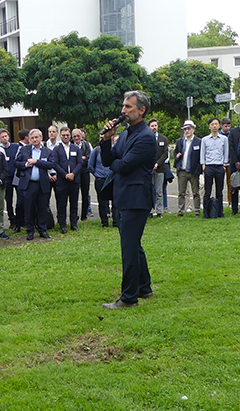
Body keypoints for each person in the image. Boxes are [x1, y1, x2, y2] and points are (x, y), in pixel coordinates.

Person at [99, 90, 156, 310]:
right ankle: (144, 287)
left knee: (129, 248)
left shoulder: (145, 137)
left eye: (128, 107)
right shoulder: (125, 134)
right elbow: (108, 161)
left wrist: (117, 161)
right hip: (123, 196)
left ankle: (128, 297)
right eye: (123, 106)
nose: (123, 111)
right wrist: (105, 139)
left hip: (136, 198)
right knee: (134, 245)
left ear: (141, 110)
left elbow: (122, 166)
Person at [15, 129, 55, 240]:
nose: (34, 139)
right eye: (32, 138)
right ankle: (30, 231)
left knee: (42, 208)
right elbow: (16, 163)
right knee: (29, 208)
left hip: (42, 183)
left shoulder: (47, 151)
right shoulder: (24, 150)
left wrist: (36, 162)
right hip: (29, 184)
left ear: (41, 138)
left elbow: (51, 164)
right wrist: (26, 164)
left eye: (36, 137)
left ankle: (42, 230)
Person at [53, 126, 82, 233]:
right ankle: (63, 225)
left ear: (70, 136)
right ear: (60, 136)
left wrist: (73, 174)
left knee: (74, 203)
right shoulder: (57, 149)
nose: (65, 137)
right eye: (63, 135)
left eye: (67, 135)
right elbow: (55, 164)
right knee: (62, 204)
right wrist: (65, 174)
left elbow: (80, 163)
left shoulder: (76, 148)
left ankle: (74, 224)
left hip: (74, 180)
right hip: (62, 180)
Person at [200, 118, 228, 214]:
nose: (214, 126)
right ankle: (206, 212)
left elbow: (226, 152)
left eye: (216, 124)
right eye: (212, 124)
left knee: (219, 191)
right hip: (209, 166)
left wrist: (224, 164)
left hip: (219, 166)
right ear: (209, 126)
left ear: (219, 126)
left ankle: (219, 211)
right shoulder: (205, 140)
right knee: (207, 191)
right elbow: (202, 153)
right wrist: (204, 166)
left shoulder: (224, 139)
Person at [89, 135, 118, 227]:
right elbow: (90, 166)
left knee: (115, 201)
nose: (102, 139)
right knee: (101, 202)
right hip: (100, 179)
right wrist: (97, 175)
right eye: (101, 137)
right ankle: (104, 222)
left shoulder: (114, 150)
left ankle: (116, 221)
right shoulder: (96, 151)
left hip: (112, 179)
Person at [174, 120, 202, 216]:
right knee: (181, 192)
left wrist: (199, 169)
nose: (187, 131)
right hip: (182, 170)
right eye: (185, 129)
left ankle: (197, 210)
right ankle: (181, 211)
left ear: (193, 129)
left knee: (195, 192)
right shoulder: (180, 141)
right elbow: (175, 152)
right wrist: (177, 156)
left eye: (189, 129)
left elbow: (200, 157)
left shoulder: (198, 141)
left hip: (193, 170)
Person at [0, 129, 21, 231]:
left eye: (6, 136)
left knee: (20, 199)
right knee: (8, 199)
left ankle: (20, 219)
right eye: (2, 137)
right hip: (6, 178)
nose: (4, 138)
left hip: (16, 176)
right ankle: (12, 219)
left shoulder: (15, 147)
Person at [150, 120, 169, 218]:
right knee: (149, 190)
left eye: (155, 125)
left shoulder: (163, 139)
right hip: (148, 168)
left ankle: (159, 211)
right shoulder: (146, 138)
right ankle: (150, 211)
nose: (154, 127)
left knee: (159, 191)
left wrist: (158, 163)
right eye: (152, 126)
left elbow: (165, 153)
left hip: (160, 168)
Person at [74, 128, 93, 220]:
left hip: (85, 172)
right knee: (75, 194)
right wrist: (81, 159)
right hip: (75, 173)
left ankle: (84, 215)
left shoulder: (86, 145)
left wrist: (80, 160)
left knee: (85, 193)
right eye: (74, 136)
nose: (76, 138)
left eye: (78, 136)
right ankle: (75, 215)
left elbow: (89, 157)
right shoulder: (71, 146)